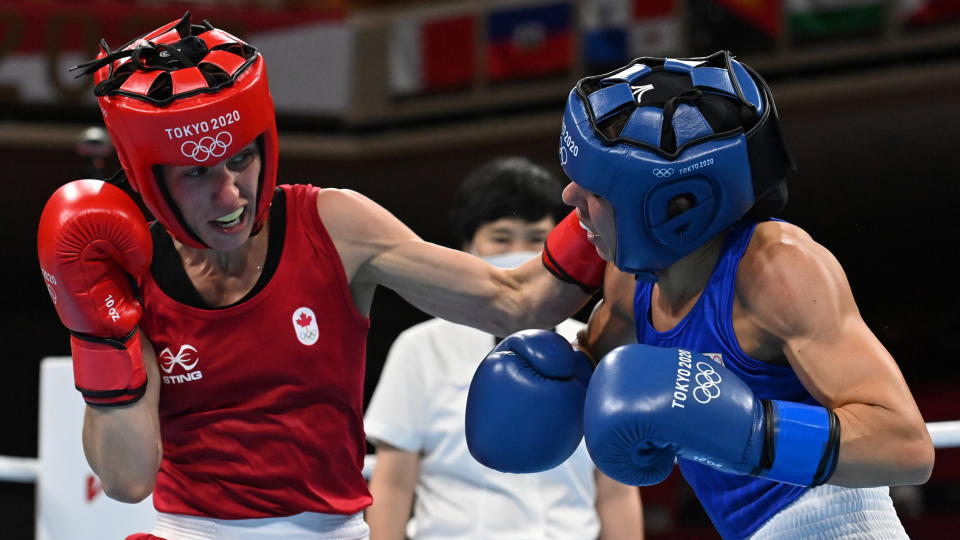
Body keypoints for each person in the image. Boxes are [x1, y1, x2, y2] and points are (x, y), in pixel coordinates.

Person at [35, 14, 607, 540]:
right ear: (150, 179)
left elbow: (517, 300)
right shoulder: (130, 266)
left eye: (242, 159)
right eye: (199, 172)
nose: (230, 193)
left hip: (331, 530)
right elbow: (127, 480)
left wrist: (608, 201)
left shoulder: (333, 225)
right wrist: (98, 332)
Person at [466, 51, 935, 539]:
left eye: (593, 190)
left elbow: (906, 447)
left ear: (673, 206)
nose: (569, 198)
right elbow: (600, 376)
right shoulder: (632, 281)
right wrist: (556, 383)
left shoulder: (780, 268)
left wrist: (748, 429)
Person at [364, 157, 642, 540]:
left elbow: (615, 491)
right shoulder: (421, 349)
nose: (518, 251)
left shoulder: (597, 341)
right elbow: (393, 483)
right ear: (468, 247)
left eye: (535, 238)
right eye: (501, 238)